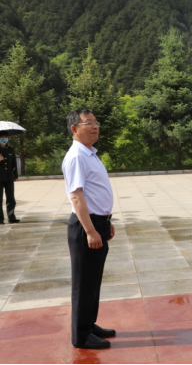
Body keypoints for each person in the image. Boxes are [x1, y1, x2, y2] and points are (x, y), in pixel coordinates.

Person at [62, 109, 116, 350]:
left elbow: (94, 193)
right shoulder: (76, 156)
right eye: (88, 123)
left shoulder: (90, 154)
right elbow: (76, 196)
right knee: (83, 283)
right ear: (74, 129)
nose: (95, 127)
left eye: (96, 122)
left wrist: (105, 222)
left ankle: (89, 324)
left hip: (98, 222)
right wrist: (91, 231)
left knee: (93, 280)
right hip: (86, 226)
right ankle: (81, 336)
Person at [0, 131, 19, 224]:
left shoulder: (10, 149)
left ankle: (11, 217)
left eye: (6, 137)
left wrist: (15, 175)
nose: (4, 139)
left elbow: (13, 163)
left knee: (11, 198)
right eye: (2, 137)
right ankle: (0, 219)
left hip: (9, 177)